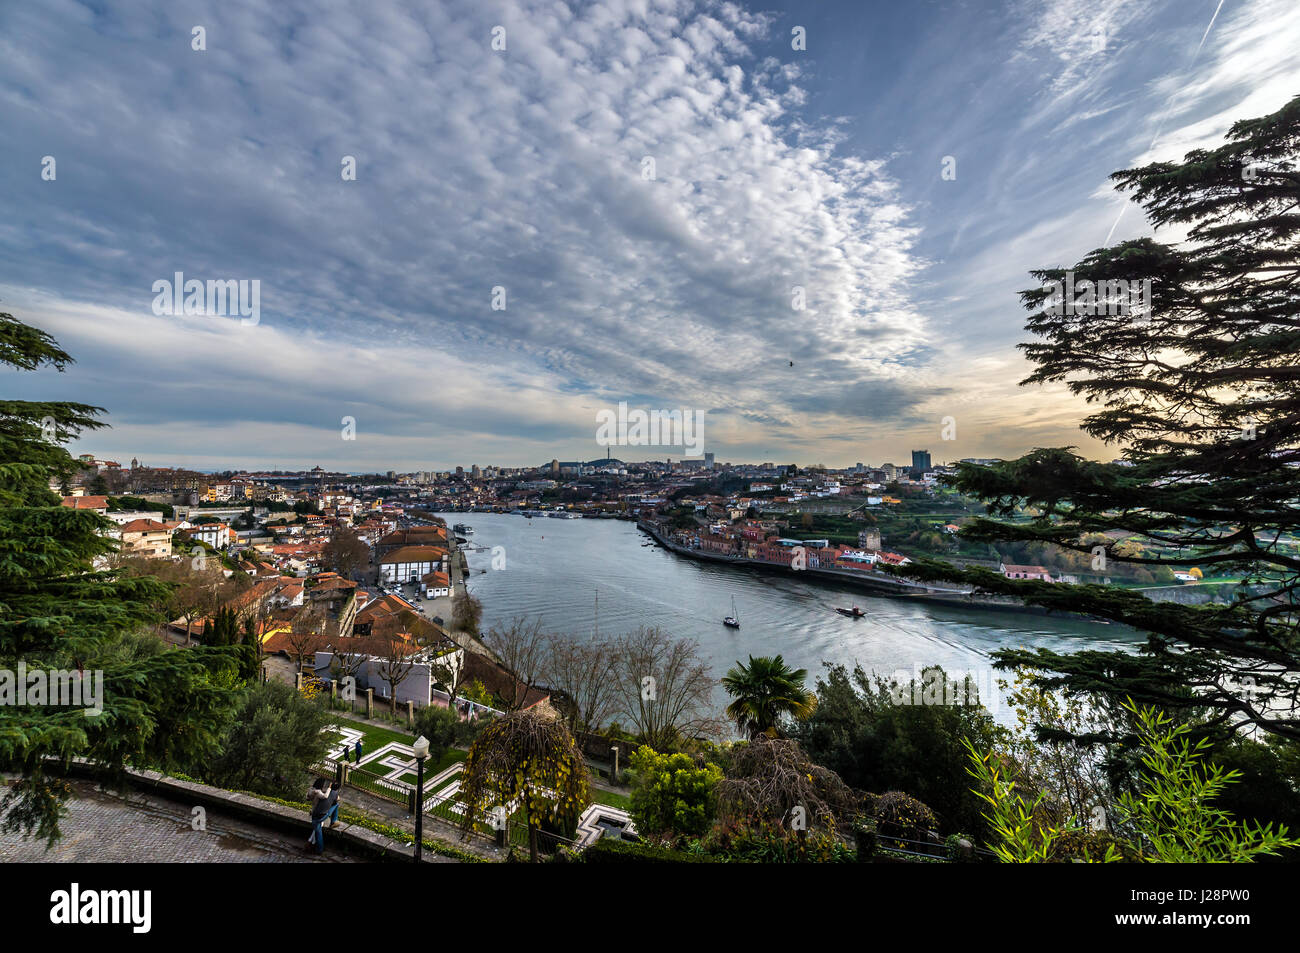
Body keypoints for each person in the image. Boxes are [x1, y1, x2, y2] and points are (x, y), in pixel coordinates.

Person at [307, 777, 340, 854]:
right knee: (336, 805)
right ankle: (333, 821)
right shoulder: (323, 793)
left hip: (316, 816)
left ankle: (319, 850)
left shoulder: (314, 791)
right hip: (323, 815)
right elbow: (335, 799)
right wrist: (330, 788)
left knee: (318, 833)